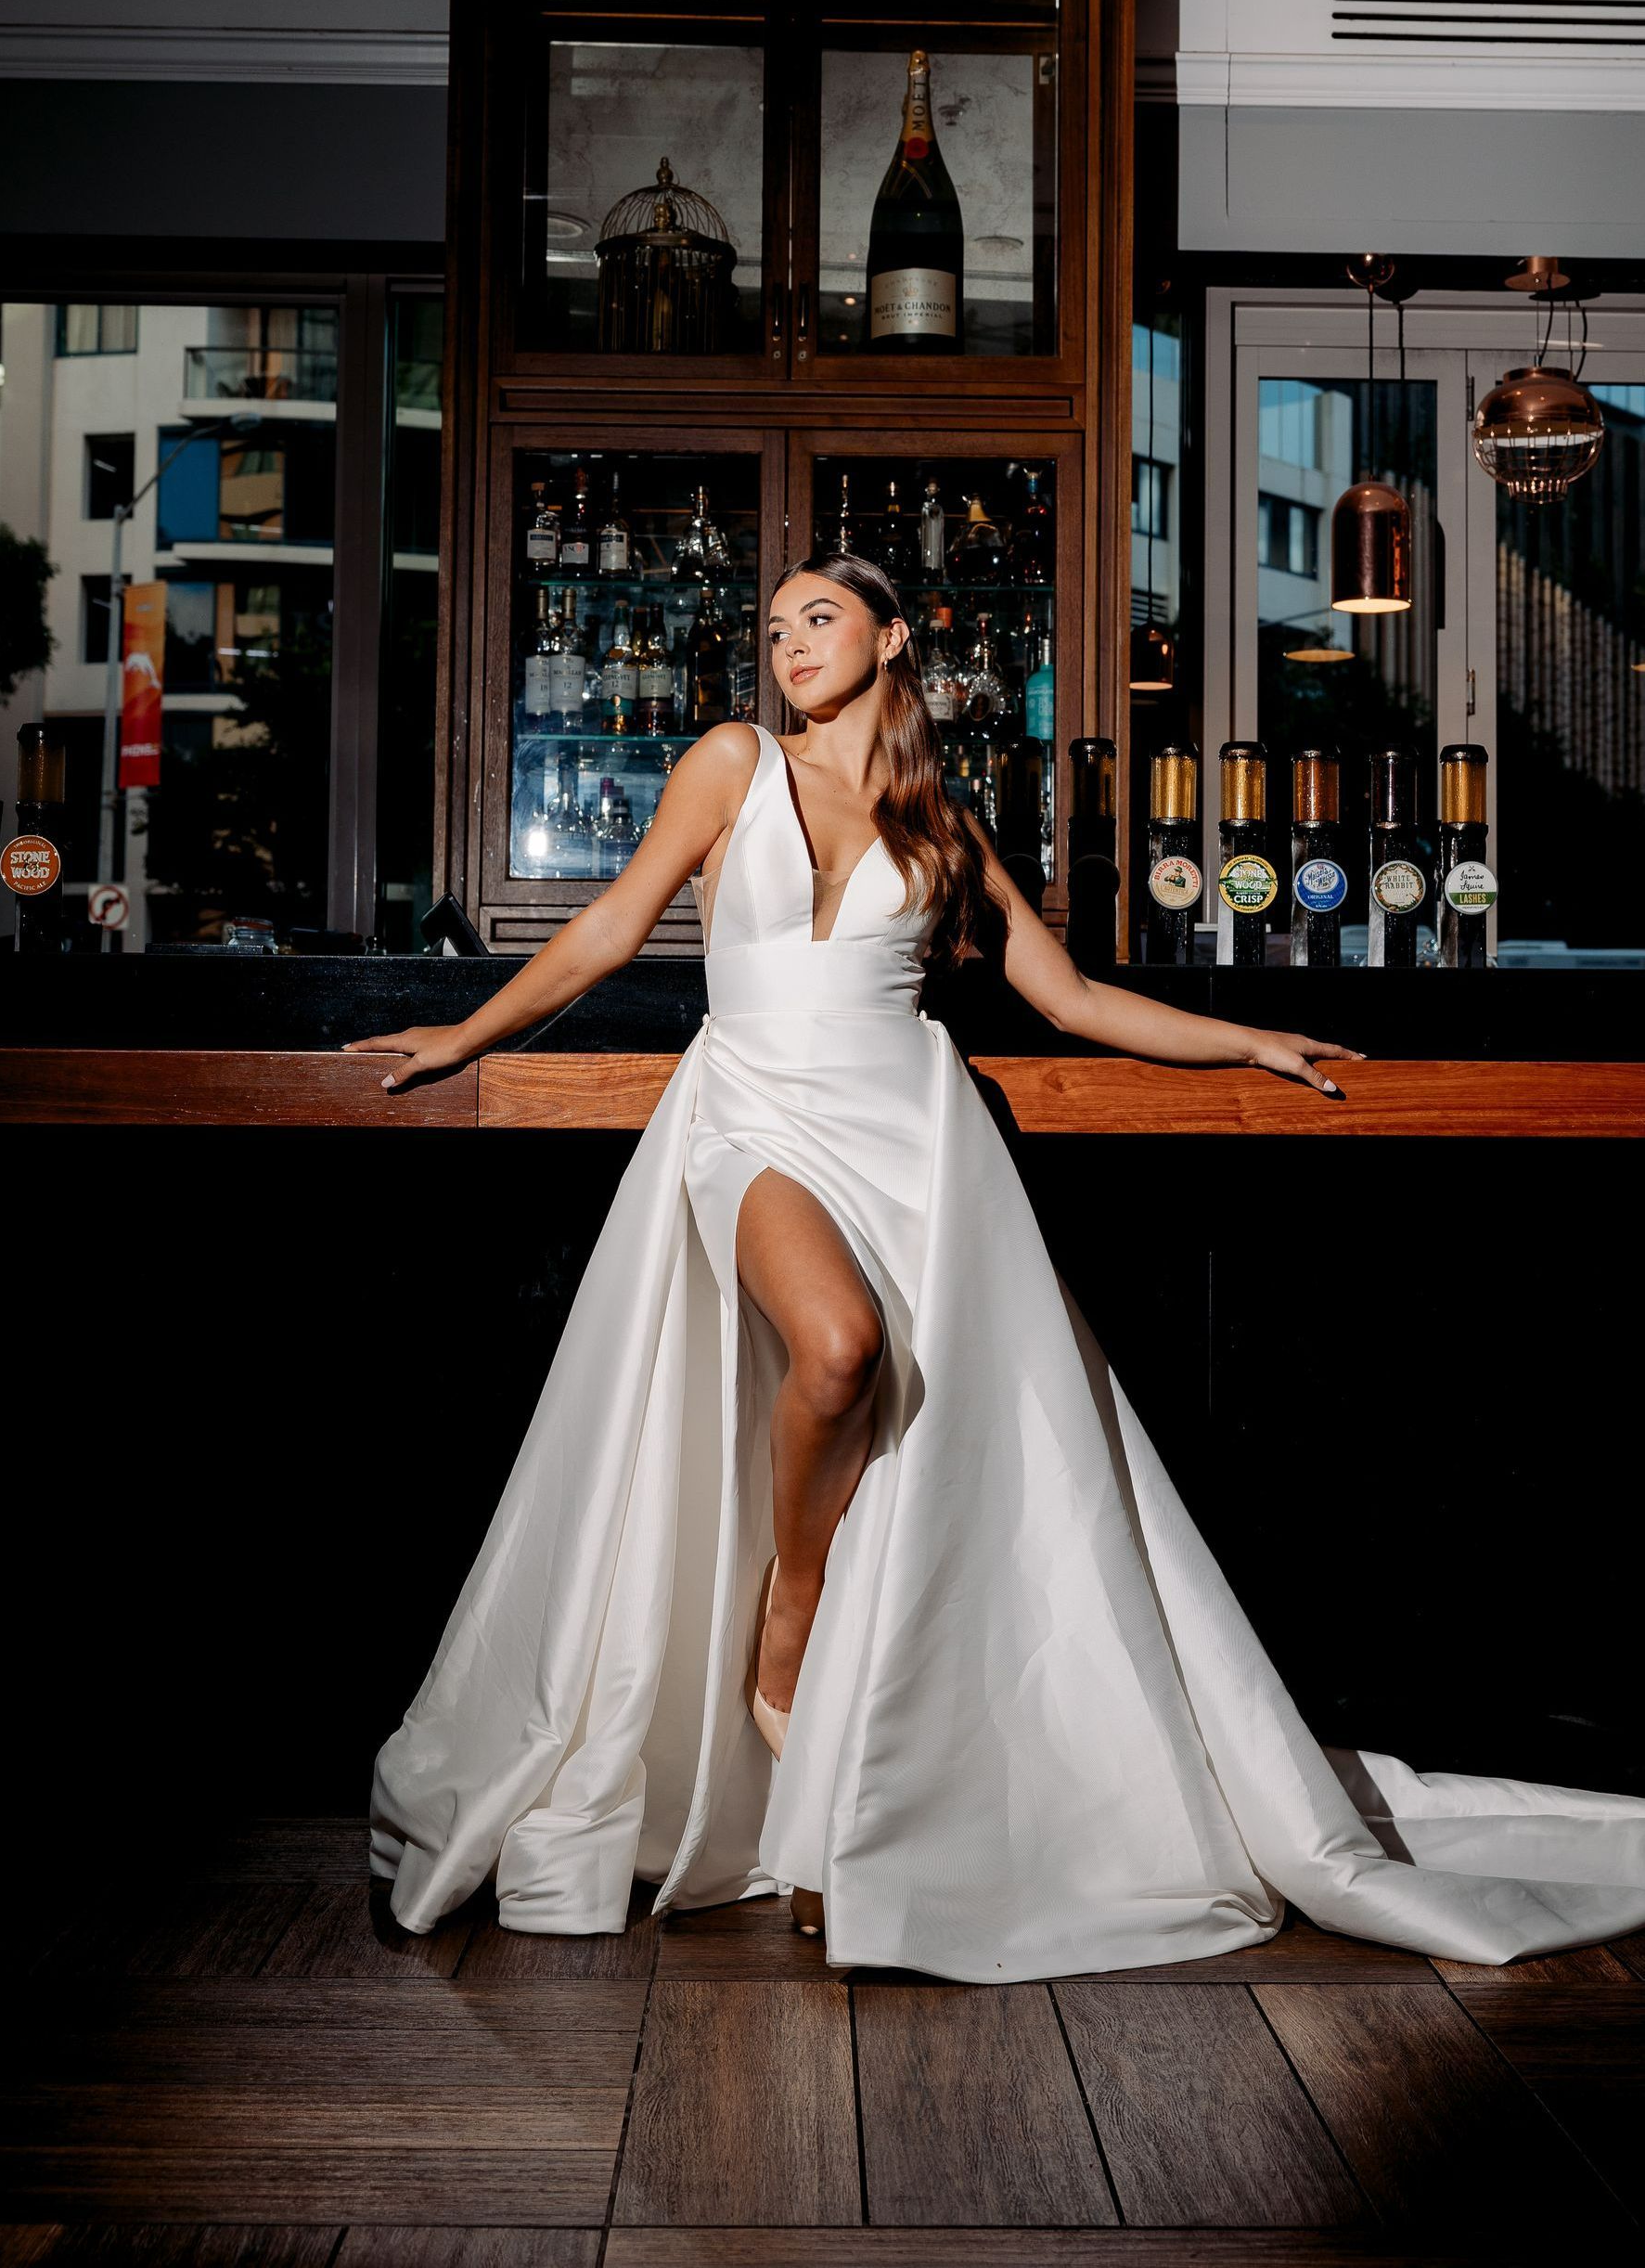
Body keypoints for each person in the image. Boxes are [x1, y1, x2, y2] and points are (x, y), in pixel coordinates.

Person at [352, 553, 1645, 1983]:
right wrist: (461, 1036)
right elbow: (611, 923)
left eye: (821, 618)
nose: (788, 643)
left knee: (933, 1443)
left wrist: (1251, 1042)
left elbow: (1072, 996)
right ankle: (791, 1615)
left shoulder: (942, 819)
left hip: (913, 1139)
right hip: (754, 1111)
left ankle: (870, 1794)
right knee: (836, 1348)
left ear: (894, 638)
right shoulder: (729, 762)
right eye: (774, 626)